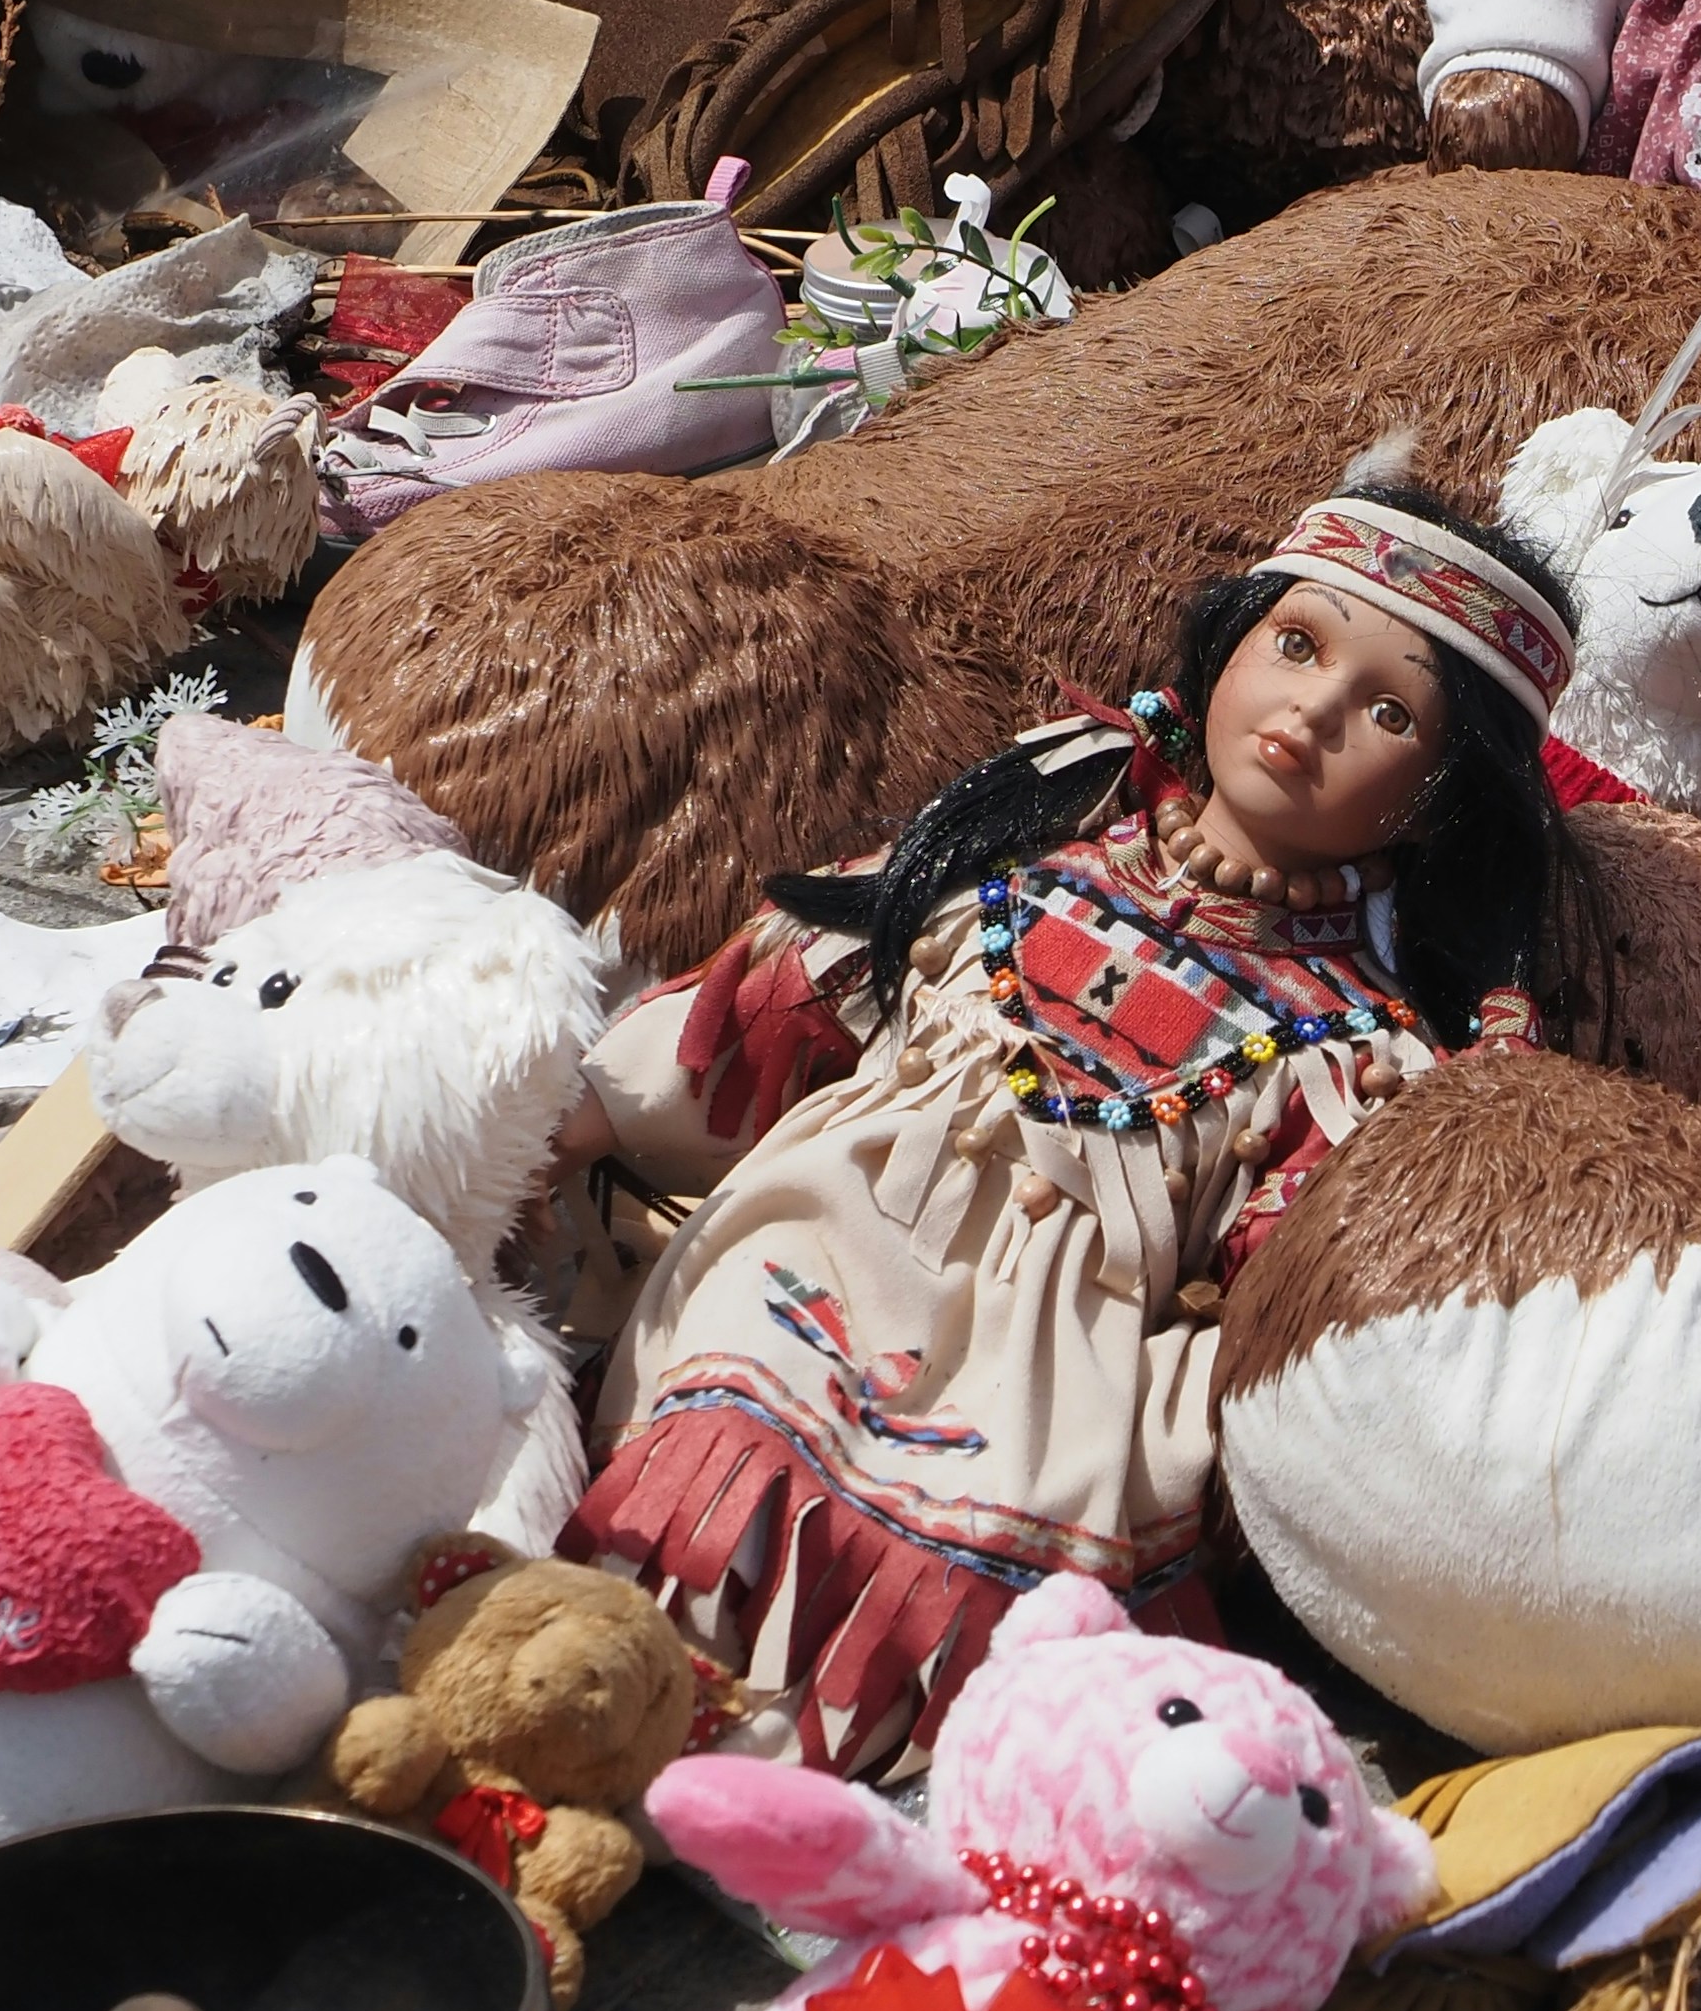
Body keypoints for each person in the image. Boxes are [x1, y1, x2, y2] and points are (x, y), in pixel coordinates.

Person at [558, 469, 1574, 1773]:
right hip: (821, 1258)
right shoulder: (1013, 864)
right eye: (1298, 644)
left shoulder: (1356, 1053)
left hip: (1062, 1386)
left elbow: (1295, 1304)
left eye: (1388, 712)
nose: (1311, 710)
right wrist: (565, 1121)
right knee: (731, 1391)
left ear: (1442, 794)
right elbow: (767, 1012)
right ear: (1233, 642)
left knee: (1008, 1533)